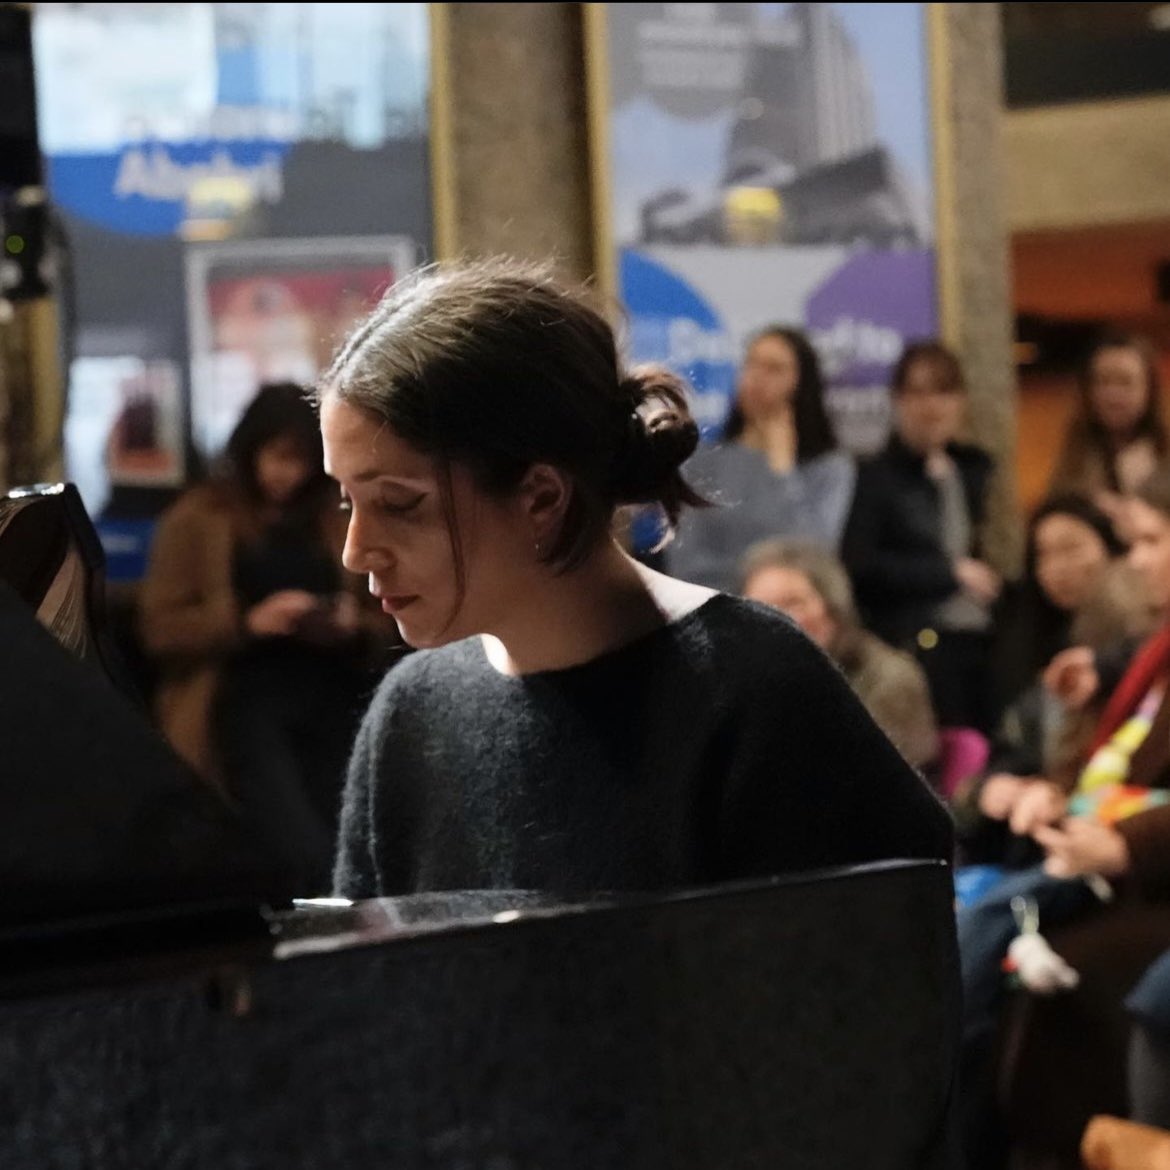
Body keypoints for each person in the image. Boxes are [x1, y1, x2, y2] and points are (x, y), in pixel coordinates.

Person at [317, 259, 952, 899]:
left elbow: (887, 957)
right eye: (347, 501)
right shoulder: (410, 716)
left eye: (398, 504)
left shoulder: (749, 688)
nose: (355, 551)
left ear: (540, 498)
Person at [956, 466, 1170, 1168]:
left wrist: (1120, 844)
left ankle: (961, 1141)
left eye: (1149, 540)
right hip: (1081, 843)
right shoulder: (1143, 654)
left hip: (1136, 872)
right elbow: (1092, 764)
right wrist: (1041, 790)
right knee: (965, 921)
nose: (1132, 560)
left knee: (987, 935)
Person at [140, 382, 392, 892]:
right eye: (278, 457)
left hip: (332, 692)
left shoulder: (336, 516)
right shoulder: (199, 518)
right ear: (250, 449)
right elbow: (159, 629)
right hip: (244, 702)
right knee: (301, 847)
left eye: (302, 460)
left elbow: (387, 616)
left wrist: (349, 624)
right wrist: (247, 622)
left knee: (351, 837)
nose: (289, 474)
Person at [842, 340, 998, 733]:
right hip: (916, 644)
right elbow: (859, 567)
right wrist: (950, 573)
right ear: (897, 400)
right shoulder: (876, 476)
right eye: (918, 392)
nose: (932, 406)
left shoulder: (975, 470)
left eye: (944, 391)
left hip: (983, 641)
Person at [665, 325, 855, 591]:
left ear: (802, 382)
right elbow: (685, 560)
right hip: (717, 606)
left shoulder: (829, 467)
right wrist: (755, 590)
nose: (757, 378)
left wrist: (782, 471)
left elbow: (817, 556)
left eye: (774, 369)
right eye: (751, 364)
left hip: (796, 610)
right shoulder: (701, 461)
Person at [739, 538, 938, 771]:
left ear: (833, 608)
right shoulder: (742, 681)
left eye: (793, 603)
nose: (773, 619)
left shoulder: (889, 678)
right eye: (758, 607)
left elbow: (872, 779)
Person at [1048, 333, 1167, 541]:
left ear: (1149, 388)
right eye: (1103, 382)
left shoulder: (1163, 454)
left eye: (1125, 382)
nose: (1113, 395)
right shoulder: (1075, 459)